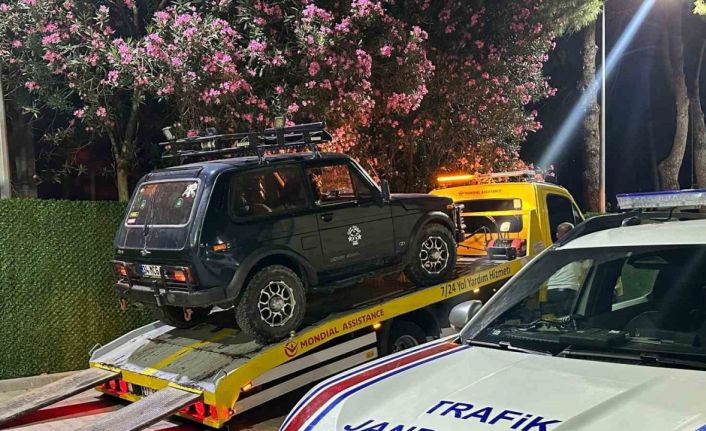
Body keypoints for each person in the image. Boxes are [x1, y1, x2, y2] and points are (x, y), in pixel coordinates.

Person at [545, 222, 582, 316]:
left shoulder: (551, 251)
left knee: (558, 319)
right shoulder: (579, 249)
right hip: (568, 289)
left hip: (551, 291)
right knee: (567, 319)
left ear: (557, 235)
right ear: (573, 234)